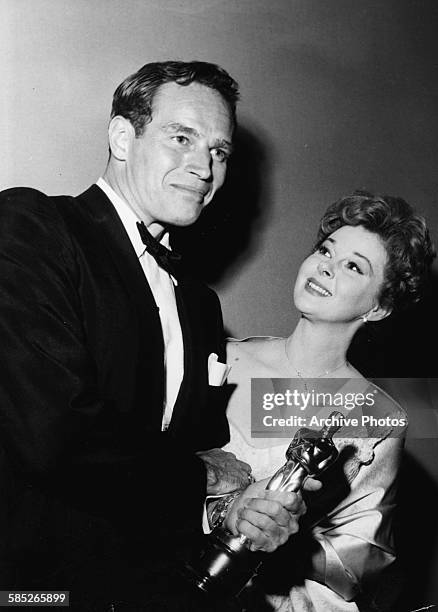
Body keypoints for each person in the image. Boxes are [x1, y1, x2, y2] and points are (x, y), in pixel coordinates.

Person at [0, 61, 308, 610]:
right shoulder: (32, 225)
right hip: (35, 590)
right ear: (123, 136)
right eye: (181, 138)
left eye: (219, 151)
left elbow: (191, 457)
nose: (204, 168)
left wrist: (232, 512)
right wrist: (200, 478)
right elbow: (53, 432)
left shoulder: (199, 303)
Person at [222, 191, 435, 611]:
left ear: (378, 307)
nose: (324, 265)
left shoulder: (376, 419)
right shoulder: (220, 356)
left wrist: (285, 536)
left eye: (353, 266)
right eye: (325, 250)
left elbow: (360, 558)